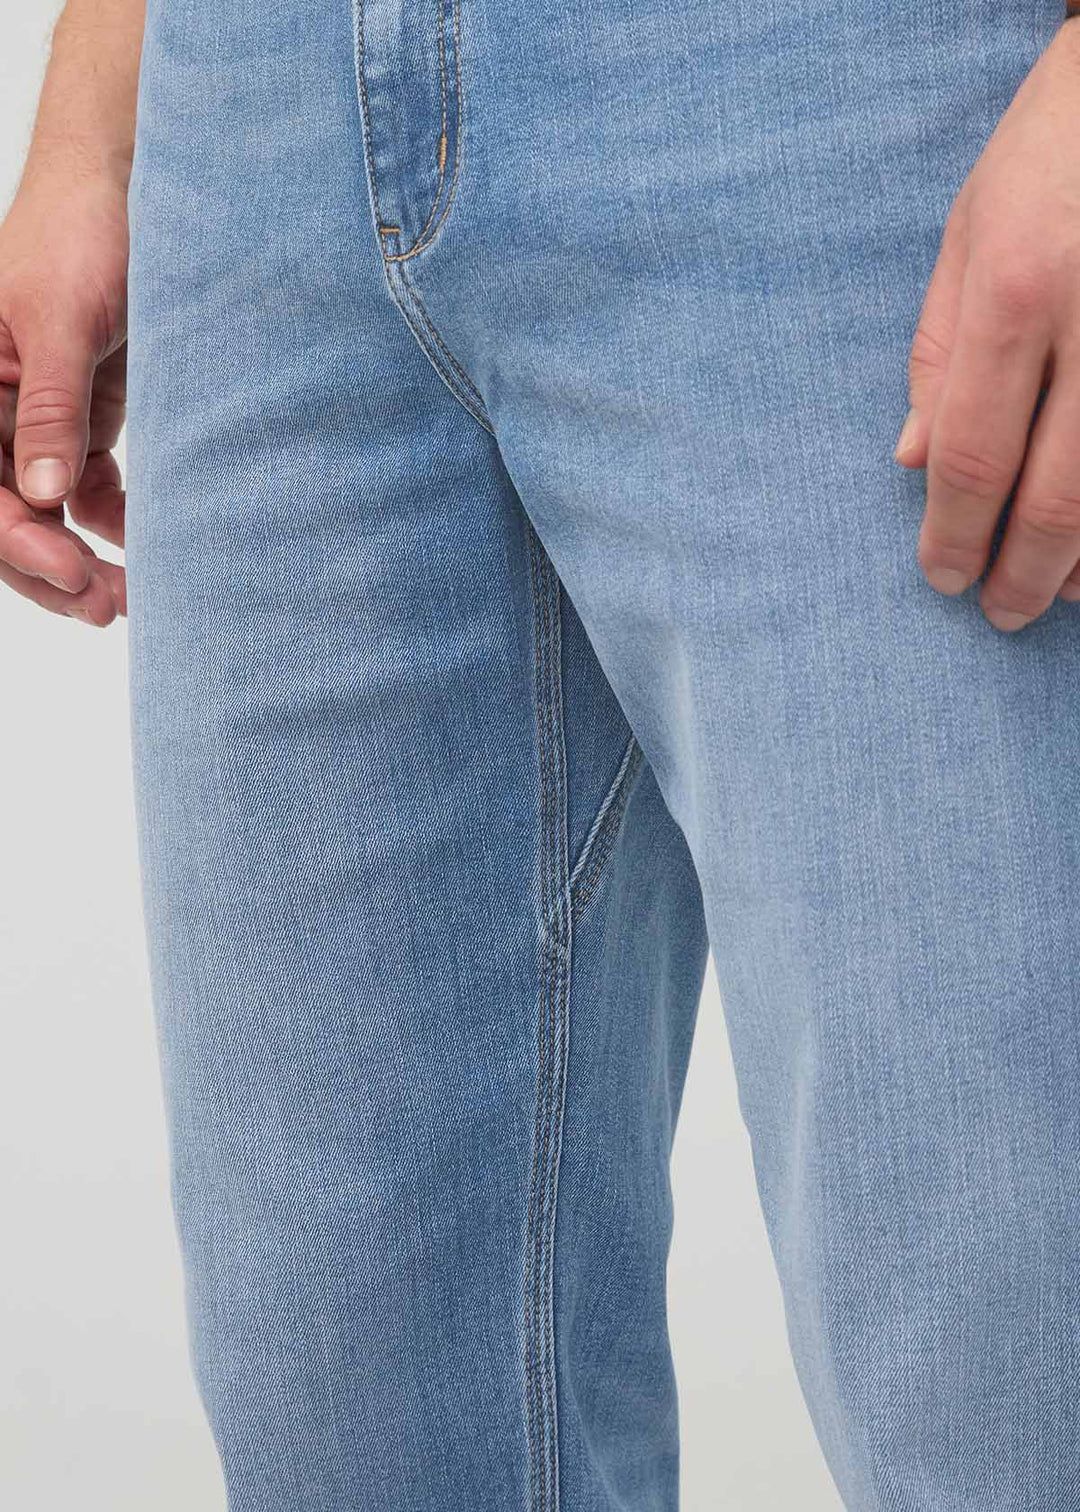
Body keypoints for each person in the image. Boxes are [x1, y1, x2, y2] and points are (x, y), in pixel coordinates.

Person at [4, 0, 1080, 1505]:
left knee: (1005, 1373)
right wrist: (94, 119)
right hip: (256, 129)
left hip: (857, 98)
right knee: (351, 1430)